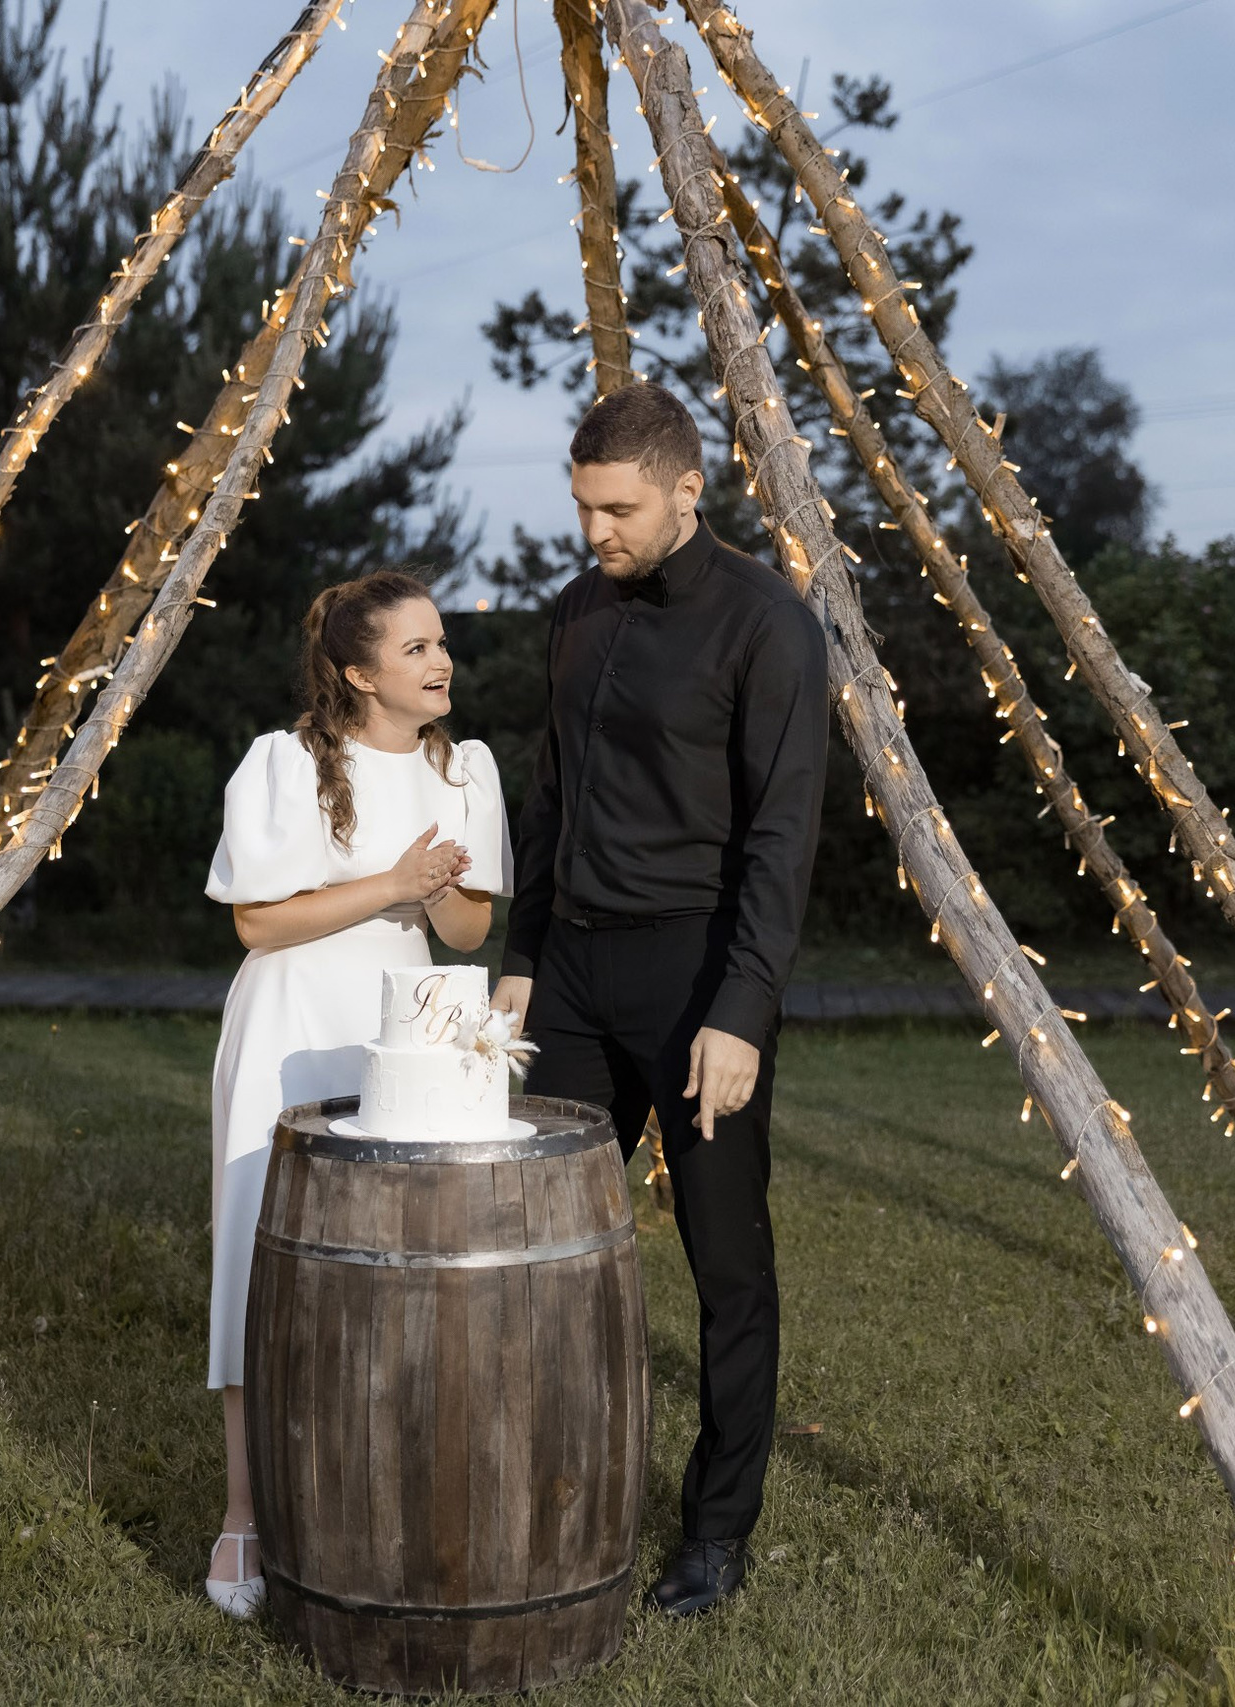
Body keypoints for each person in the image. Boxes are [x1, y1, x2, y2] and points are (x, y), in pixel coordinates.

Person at [494, 382, 829, 1619]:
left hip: (696, 978)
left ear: (689, 488)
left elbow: (783, 837)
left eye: (618, 509)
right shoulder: (574, 611)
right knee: (545, 1260)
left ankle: (714, 1534)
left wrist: (740, 1009)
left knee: (724, 1265)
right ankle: (553, 1496)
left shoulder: (768, 627)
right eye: (583, 507)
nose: (596, 533)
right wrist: (522, 954)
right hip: (571, 976)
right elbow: (551, 796)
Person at [199, 569, 512, 1618]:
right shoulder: (283, 765)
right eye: (416, 647)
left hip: (413, 1022)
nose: (441, 662)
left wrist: (441, 887)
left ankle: (378, 1493)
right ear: (355, 672)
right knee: (260, 1255)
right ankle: (245, 1514)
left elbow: (467, 932)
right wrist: (391, 882)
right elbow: (256, 924)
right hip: (292, 1020)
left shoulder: (465, 768)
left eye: (441, 643)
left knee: (408, 1264)